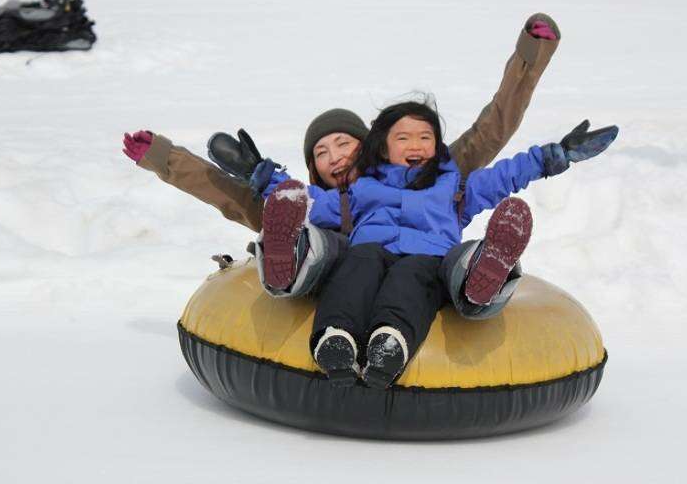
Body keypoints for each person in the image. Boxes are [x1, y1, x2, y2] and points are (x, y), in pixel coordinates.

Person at [254, 98, 618, 389]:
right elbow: (309, 199)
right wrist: (264, 178)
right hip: (370, 252)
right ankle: (336, 338)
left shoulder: (455, 188)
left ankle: (468, 284)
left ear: (437, 145)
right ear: (381, 147)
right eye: (403, 138)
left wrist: (554, 156)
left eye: (425, 137)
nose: (416, 144)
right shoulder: (361, 190)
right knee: (358, 262)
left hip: (430, 260)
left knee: (421, 271)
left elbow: (504, 175)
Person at [199, 14, 561, 296]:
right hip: (353, 276)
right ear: (313, 167)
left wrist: (531, 54)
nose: (336, 158)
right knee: (325, 245)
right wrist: (165, 157)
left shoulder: (432, 171)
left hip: (424, 269)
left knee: (455, 262)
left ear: (373, 147)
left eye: (344, 145)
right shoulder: (326, 202)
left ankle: (484, 272)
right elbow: (255, 198)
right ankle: (290, 258)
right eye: (322, 153)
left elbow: (492, 129)